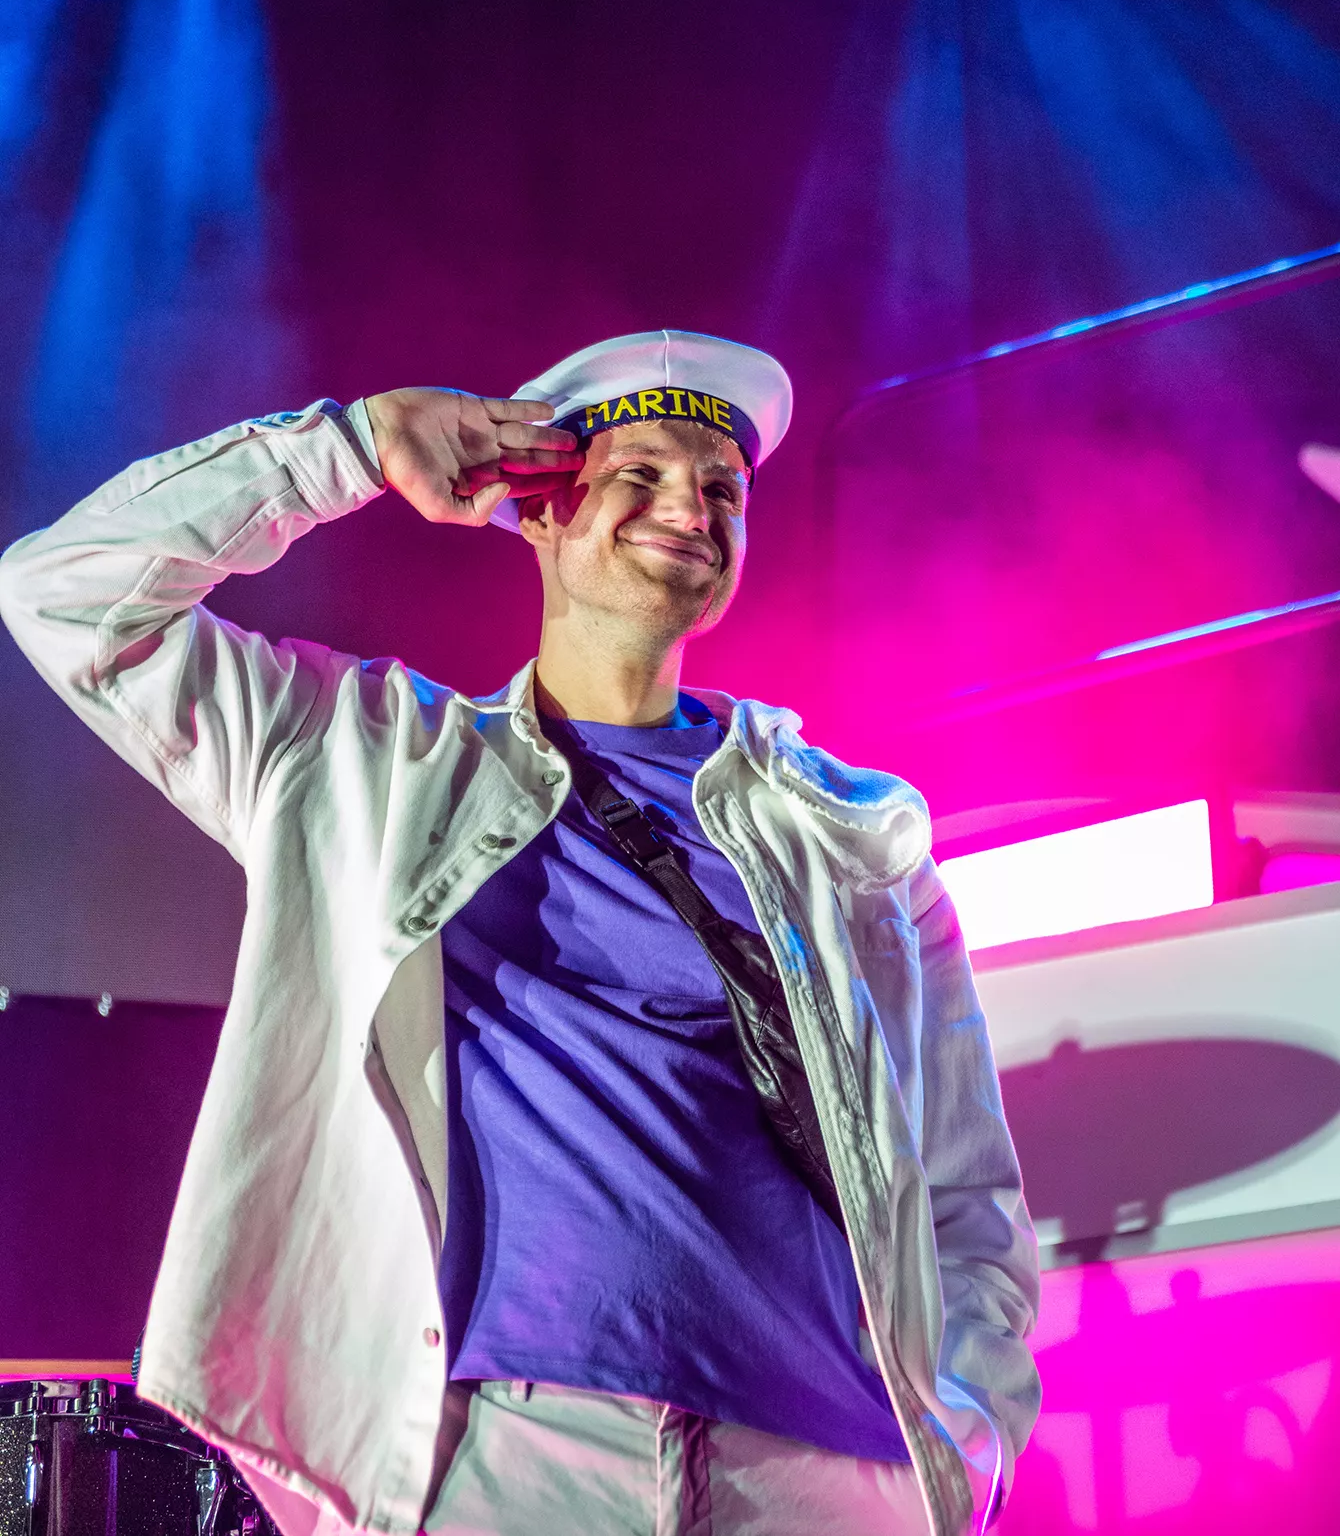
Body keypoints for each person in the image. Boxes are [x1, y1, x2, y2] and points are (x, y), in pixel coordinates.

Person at [0, 329, 1040, 1536]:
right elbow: (66, 595)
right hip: (514, 1462)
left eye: (721, 490)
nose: (690, 510)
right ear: (541, 509)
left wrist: (968, 1444)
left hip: (822, 1472)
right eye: (640, 474)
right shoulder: (369, 759)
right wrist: (351, 446)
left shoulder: (851, 829)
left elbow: (964, 1185)